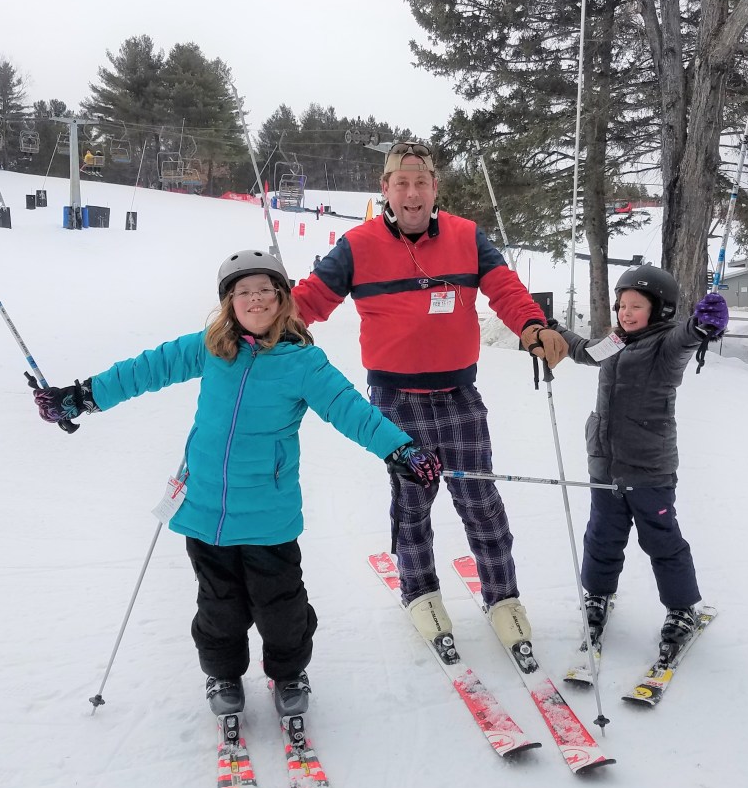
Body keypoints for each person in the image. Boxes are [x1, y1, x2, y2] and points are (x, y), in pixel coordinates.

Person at [29, 249, 441, 718]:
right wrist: (82, 396)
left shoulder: (303, 362)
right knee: (218, 605)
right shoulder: (210, 346)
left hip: (269, 515)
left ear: (282, 298)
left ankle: (288, 673)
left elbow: (351, 409)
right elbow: (146, 369)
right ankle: (222, 673)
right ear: (229, 303)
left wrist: (399, 448)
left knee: (281, 607)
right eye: (243, 292)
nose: (255, 299)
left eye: (265, 290)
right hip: (205, 510)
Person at [290, 141, 568, 652]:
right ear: (386, 190)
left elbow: (504, 287)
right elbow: (311, 299)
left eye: (421, 183)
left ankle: (503, 598)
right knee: (413, 500)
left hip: (459, 394)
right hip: (395, 398)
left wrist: (533, 325)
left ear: (435, 187)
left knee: (480, 500)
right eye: (402, 183)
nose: (412, 193)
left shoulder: (466, 236)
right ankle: (419, 591)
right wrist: (269, 323)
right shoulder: (357, 244)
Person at [558, 263, 729, 650]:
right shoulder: (615, 342)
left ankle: (682, 608)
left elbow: (687, 338)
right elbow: (583, 352)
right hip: (605, 464)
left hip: (649, 469)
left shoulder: (666, 347)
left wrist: (704, 325)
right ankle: (598, 595)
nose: (625, 313)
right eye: (621, 305)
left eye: (636, 306)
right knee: (601, 537)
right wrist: (552, 329)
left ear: (661, 310)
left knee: (662, 542)